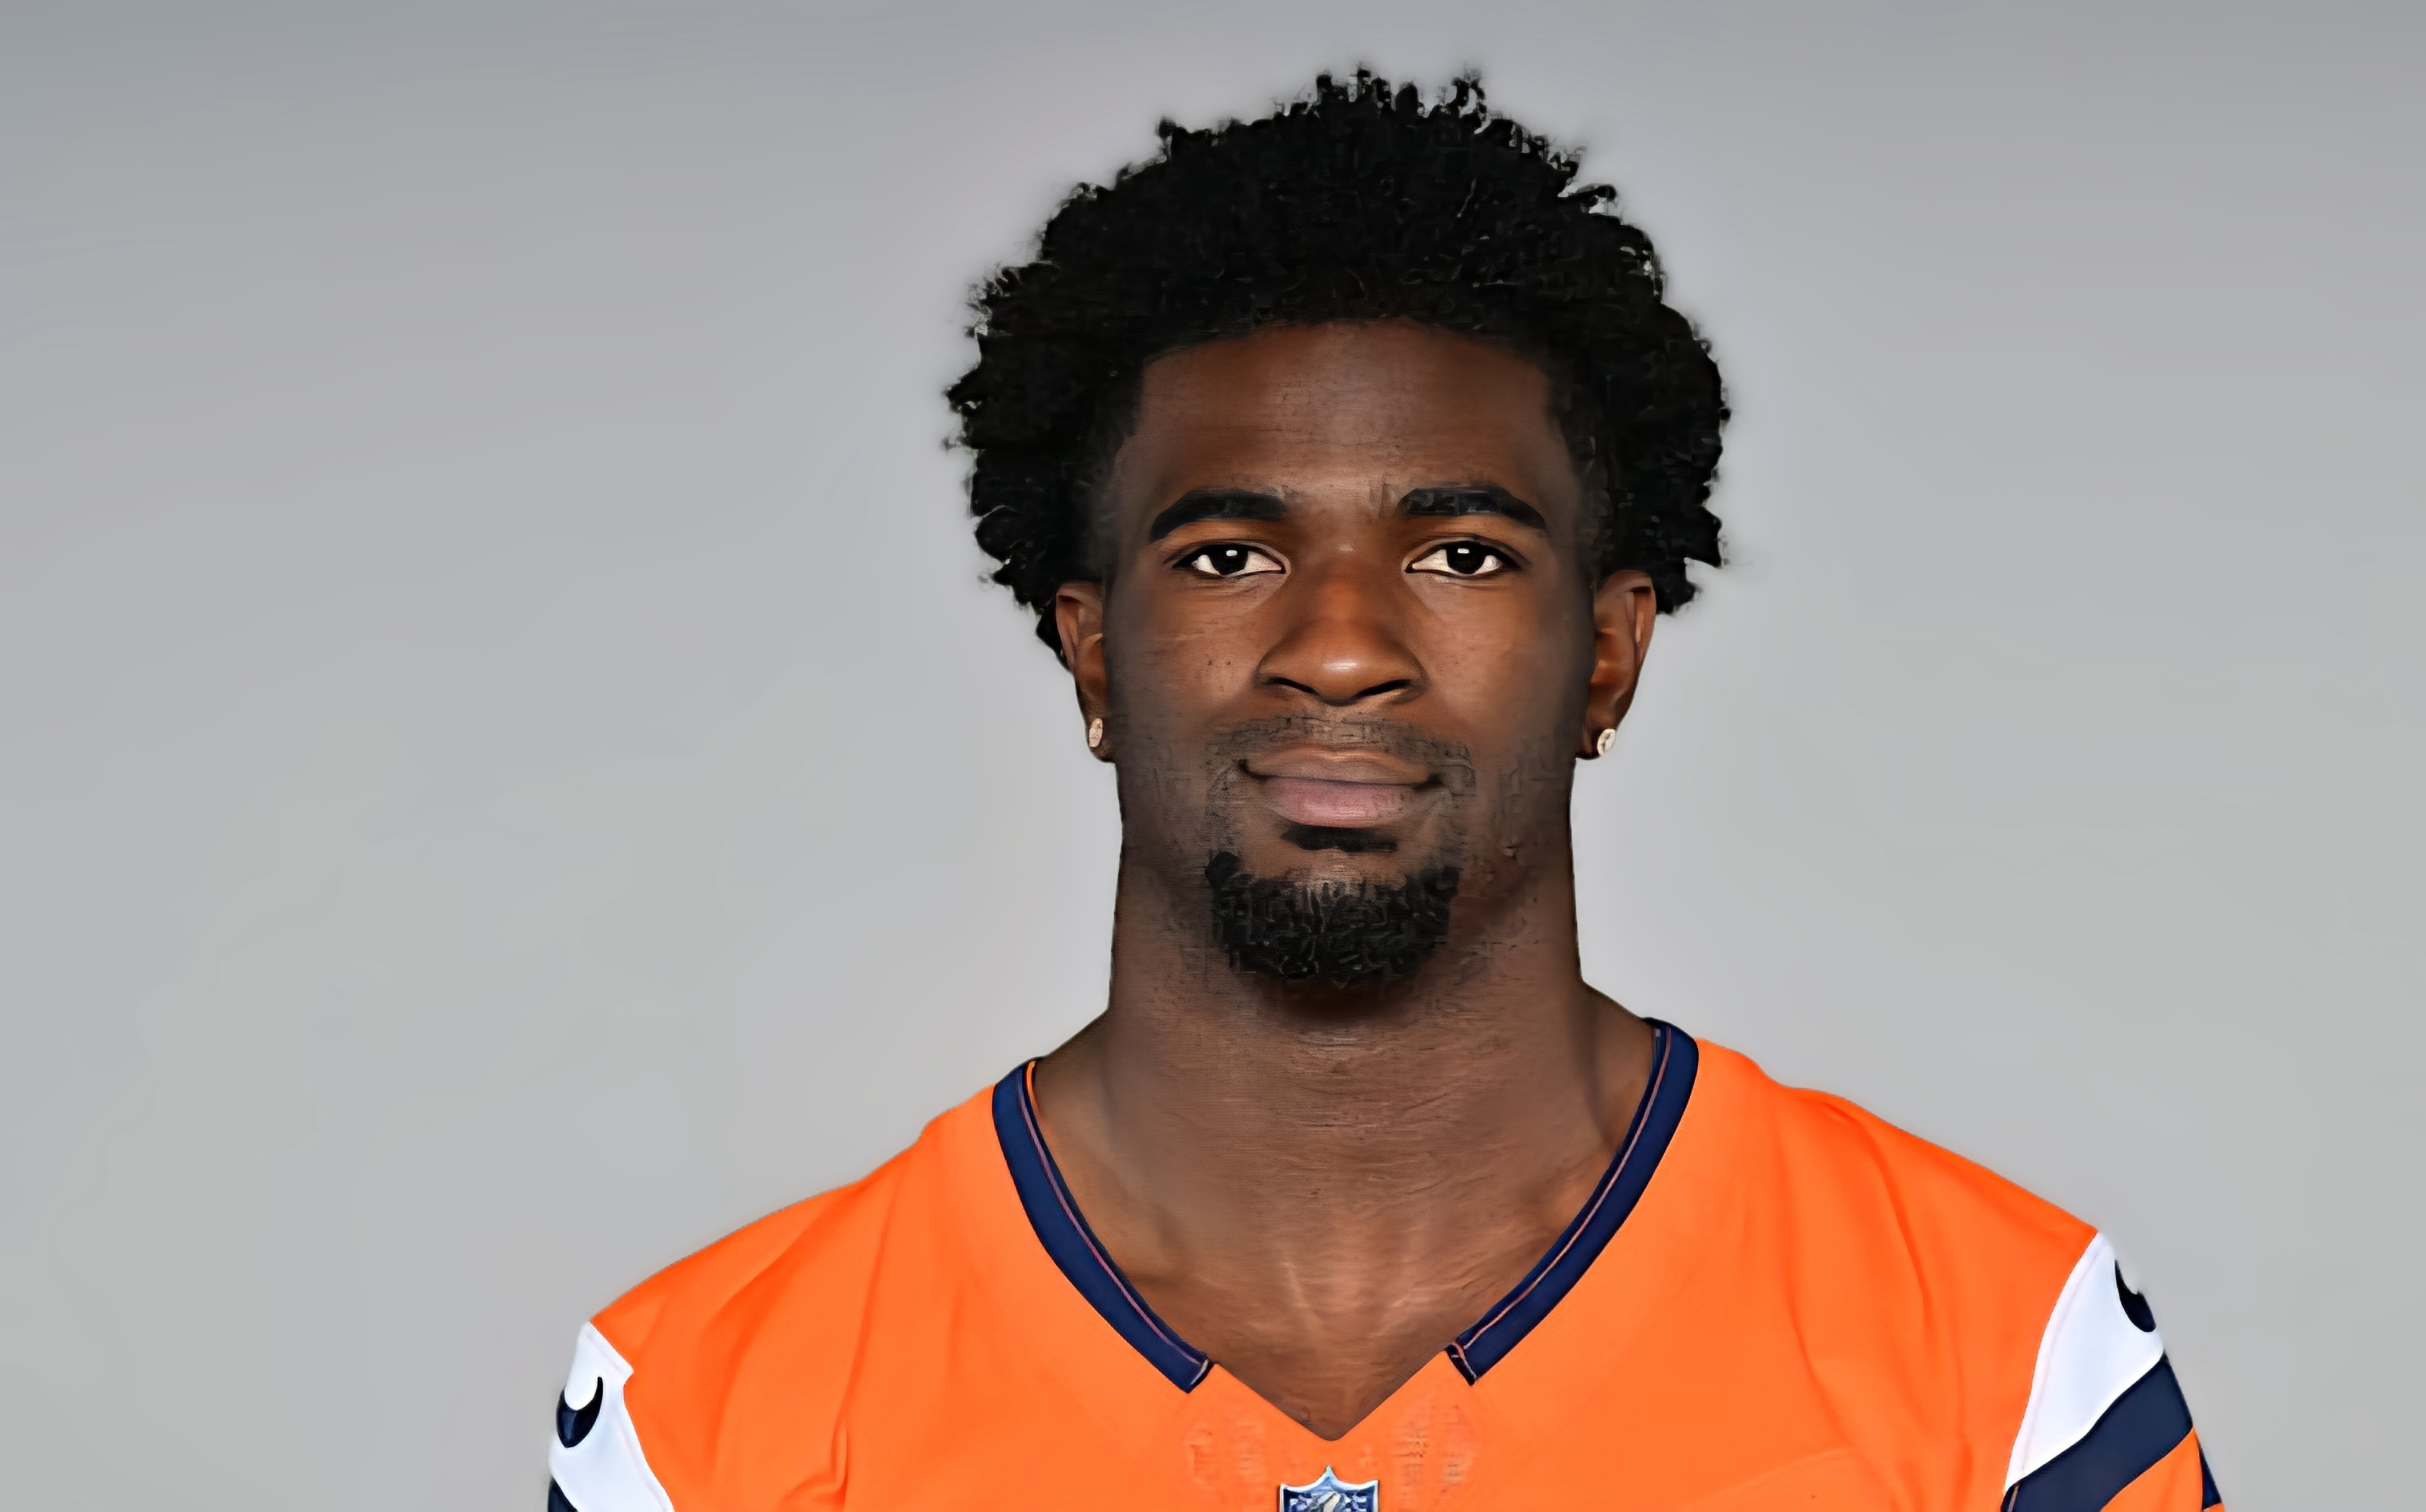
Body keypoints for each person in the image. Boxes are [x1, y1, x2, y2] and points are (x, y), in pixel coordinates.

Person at [545, 74, 2222, 1512]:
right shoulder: (703, 1415)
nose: (1340, 647)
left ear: (1609, 651)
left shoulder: (2002, 1355)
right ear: (1094, 650)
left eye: (1461, 552)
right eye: (1227, 553)